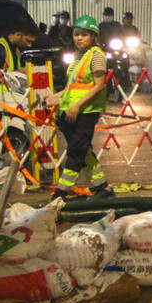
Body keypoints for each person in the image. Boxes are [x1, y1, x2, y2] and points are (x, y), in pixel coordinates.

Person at [45, 15, 113, 200]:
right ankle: (101, 188)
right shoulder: (78, 56)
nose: (79, 38)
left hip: (85, 112)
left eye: (83, 34)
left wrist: (76, 106)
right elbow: (73, 87)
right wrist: (56, 97)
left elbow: (99, 85)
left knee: (75, 152)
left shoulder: (96, 55)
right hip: (69, 111)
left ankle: (61, 192)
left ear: (93, 36)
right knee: (83, 150)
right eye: (76, 34)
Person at [0, 16, 37, 92]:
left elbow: (11, 72)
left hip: (8, 94)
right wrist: (20, 73)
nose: (29, 45)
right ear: (18, 35)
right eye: (28, 41)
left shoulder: (15, 50)